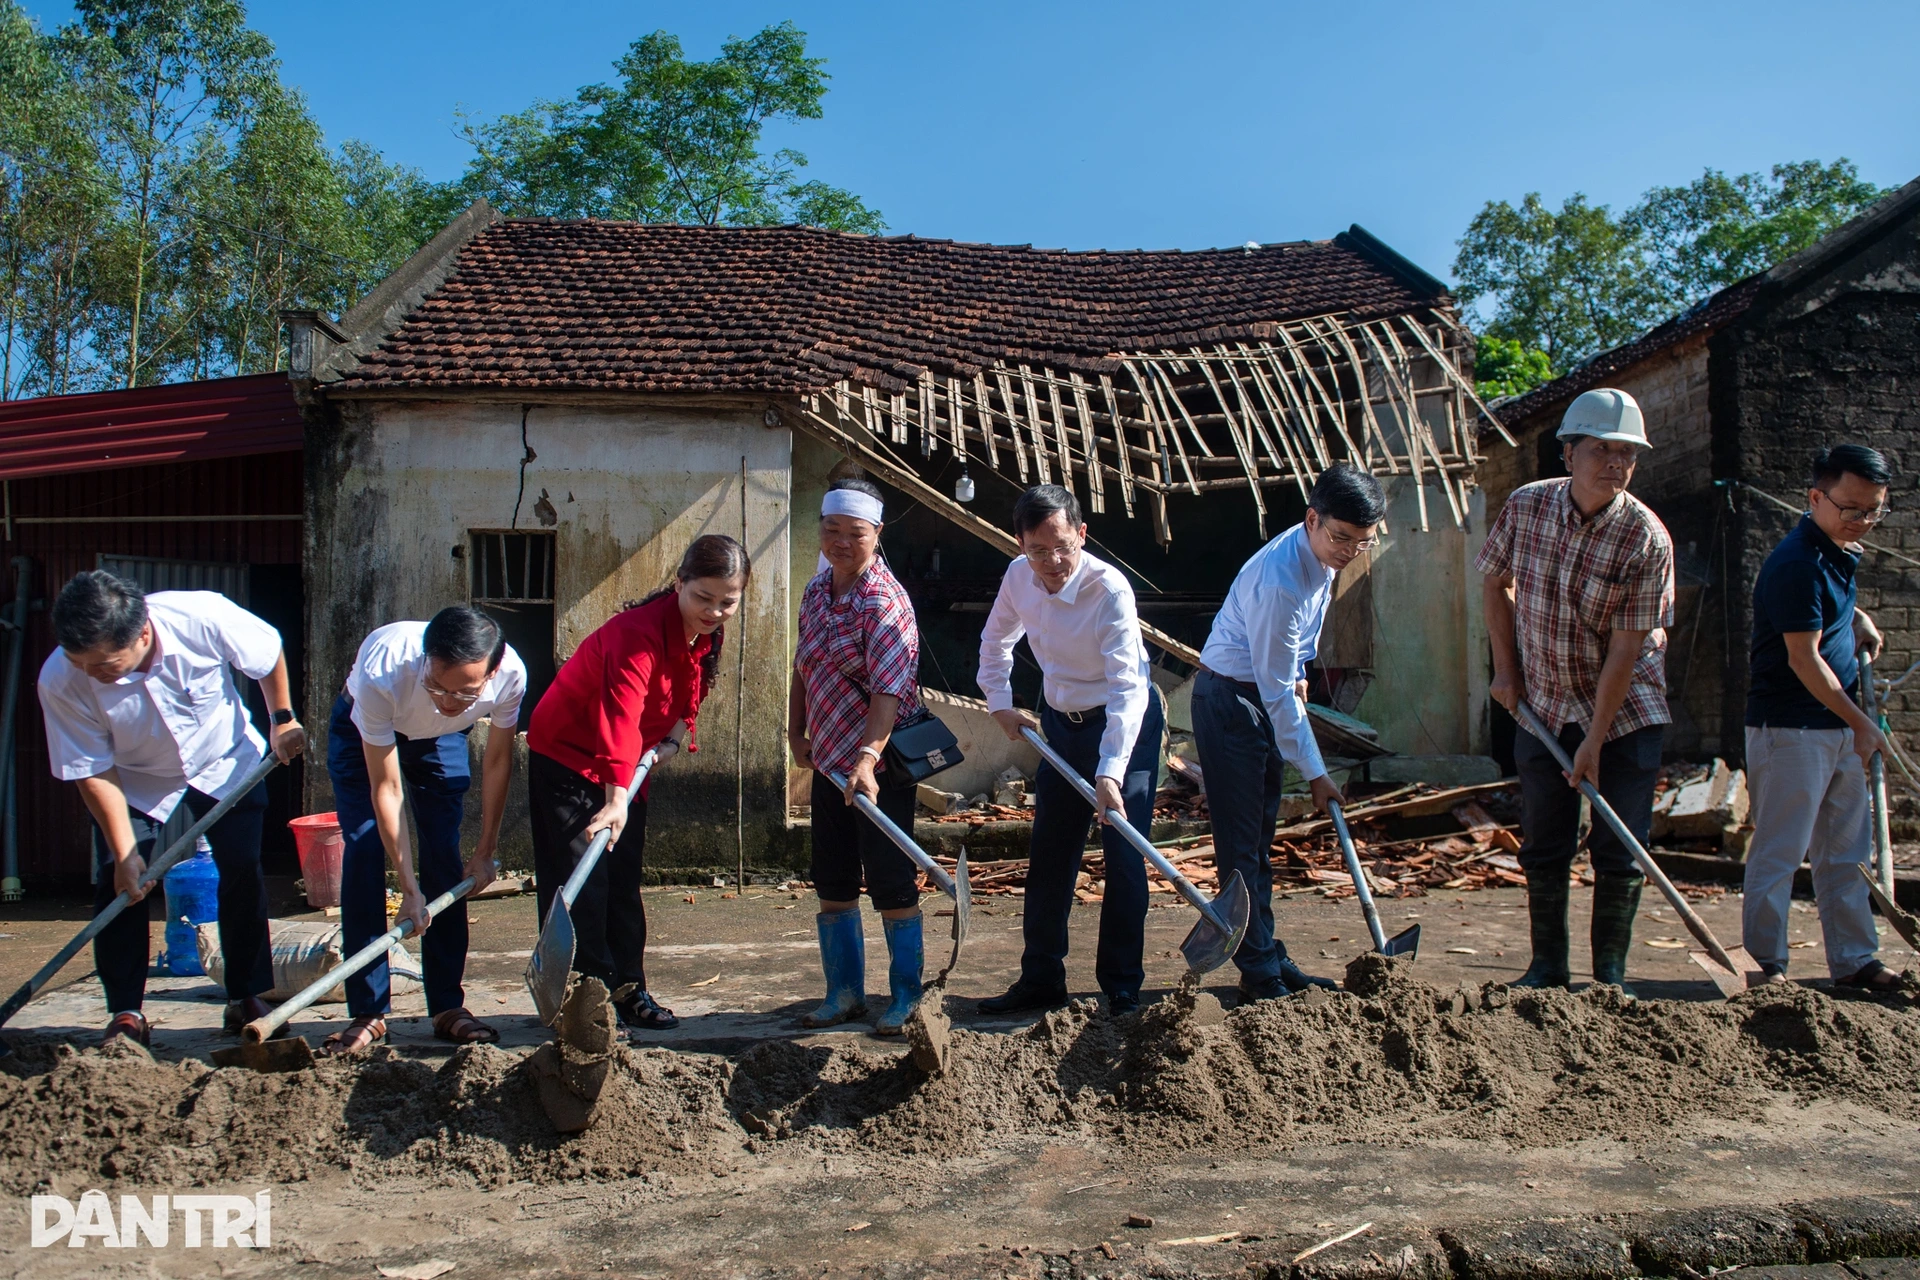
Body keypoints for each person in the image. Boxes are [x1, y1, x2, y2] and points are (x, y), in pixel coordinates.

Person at [37, 571, 305, 1046]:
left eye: (106, 664)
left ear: (142, 633)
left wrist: (281, 718)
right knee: (119, 884)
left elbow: (266, 654)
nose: (92, 673)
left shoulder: (202, 616)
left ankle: (246, 993)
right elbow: (91, 770)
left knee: (242, 869)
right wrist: (126, 855)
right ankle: (125, 1010)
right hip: (133, 778)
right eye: (83, 664)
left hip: (222, 757)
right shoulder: (62, 679)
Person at [1478, 388, 1674, 995]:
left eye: (1627, 454)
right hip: (1542, 702)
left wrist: (1593, 739)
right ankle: (1548, 969)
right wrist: (1507, 672)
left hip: (1625, 708)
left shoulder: (1647, 538)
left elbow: (1626, 649)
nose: (1615, 463)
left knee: (1620, 844)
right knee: (1545, 840)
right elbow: (1494, 583)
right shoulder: (1526, 507)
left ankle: (1609, 977)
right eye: (1602, 449)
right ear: (1569, 454)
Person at [526, 534, 749, 1033]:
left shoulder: (703, 631)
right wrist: (616, 798)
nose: (714, 611)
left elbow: (695, 680)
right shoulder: (636, 633)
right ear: (679, 584)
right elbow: (619, 716)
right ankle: (584, 1003)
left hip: (626, 766)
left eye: (727, 602)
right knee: (583, 881)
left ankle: (627, 989)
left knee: (623, 880)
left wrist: (675, 734)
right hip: (567, 757)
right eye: (703, 598)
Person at [1194, 463, 1387, 1000]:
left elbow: (1288, 669)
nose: (1349, 552)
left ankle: (1270, 955)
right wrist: (1318, 773)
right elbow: (1276, 693)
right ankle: (1259, 973)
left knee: (1259, 841)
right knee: (1241, 847)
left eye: (1362, 543)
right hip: (1232, 700)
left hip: (1258, 692)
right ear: (1312, 519)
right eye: (1341, 538)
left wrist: (1298, 672)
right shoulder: (1282, 580)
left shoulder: (1322, 555)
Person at [975, 484, 1162, 1016]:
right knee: (1051, 852)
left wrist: (1110, 772)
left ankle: (1122, 985)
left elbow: (1129, 688)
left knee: (1125, 854)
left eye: (1063, 547)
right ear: (1020, 545)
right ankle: (1040, 980)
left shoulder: (1110, 590)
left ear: (1082, 534)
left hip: (1125, 726)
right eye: (1038, 550)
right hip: (1060, 725)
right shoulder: (1018, 577)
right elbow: (994, 643)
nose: (1052, 562)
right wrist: (1000, 703)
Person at [322, 607, 523, 1055]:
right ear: (425, 658)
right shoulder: (384, 674)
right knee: (364, 850)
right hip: (368, 733)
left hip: (441, 738)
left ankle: (448, 1005)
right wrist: (408, 890)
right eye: (437, 685)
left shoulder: (512, 675)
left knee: (444, 855)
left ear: (493, 670)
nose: (448, 700)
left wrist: (487, 849)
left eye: (465, 693)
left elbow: (496, 760)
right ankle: (369, 1011)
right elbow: (387, 789)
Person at [1742, 444, 1903, 991]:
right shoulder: (1796, 562)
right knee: (1782, 850)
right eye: (1851, 509)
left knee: (1846, 852)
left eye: (1873, 511)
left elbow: (1825, 613)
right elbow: (1802, 658)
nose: (1862, 522)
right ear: (1816, 497)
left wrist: (1856, 618)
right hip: (1789, 729)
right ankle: (1768, 965)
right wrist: (1861, 722)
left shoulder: (1835, 552)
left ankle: (1856, 960)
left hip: (1834, 726)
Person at [789, 478, 927, 1034]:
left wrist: (867, 759)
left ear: (877, 534)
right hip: (827, 760)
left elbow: (888, 691)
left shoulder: (886, 602)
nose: (841, 542)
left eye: (855, 533)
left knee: (891, 879)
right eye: (831, 530)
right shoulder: (817, 590)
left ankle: (906, 998)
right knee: (833, 878)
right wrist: (796, 730)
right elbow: (804, 665)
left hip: (879, 766)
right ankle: (842, 994)